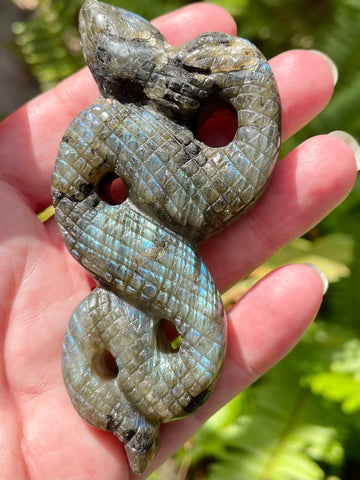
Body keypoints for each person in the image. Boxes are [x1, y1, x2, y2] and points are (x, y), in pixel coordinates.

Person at [0, 3, 358, 479]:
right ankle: (126, 410)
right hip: (110, 221)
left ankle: (131, 403)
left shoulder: (147, 107)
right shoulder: (110, 125)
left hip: (147, 207)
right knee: (139, 323)